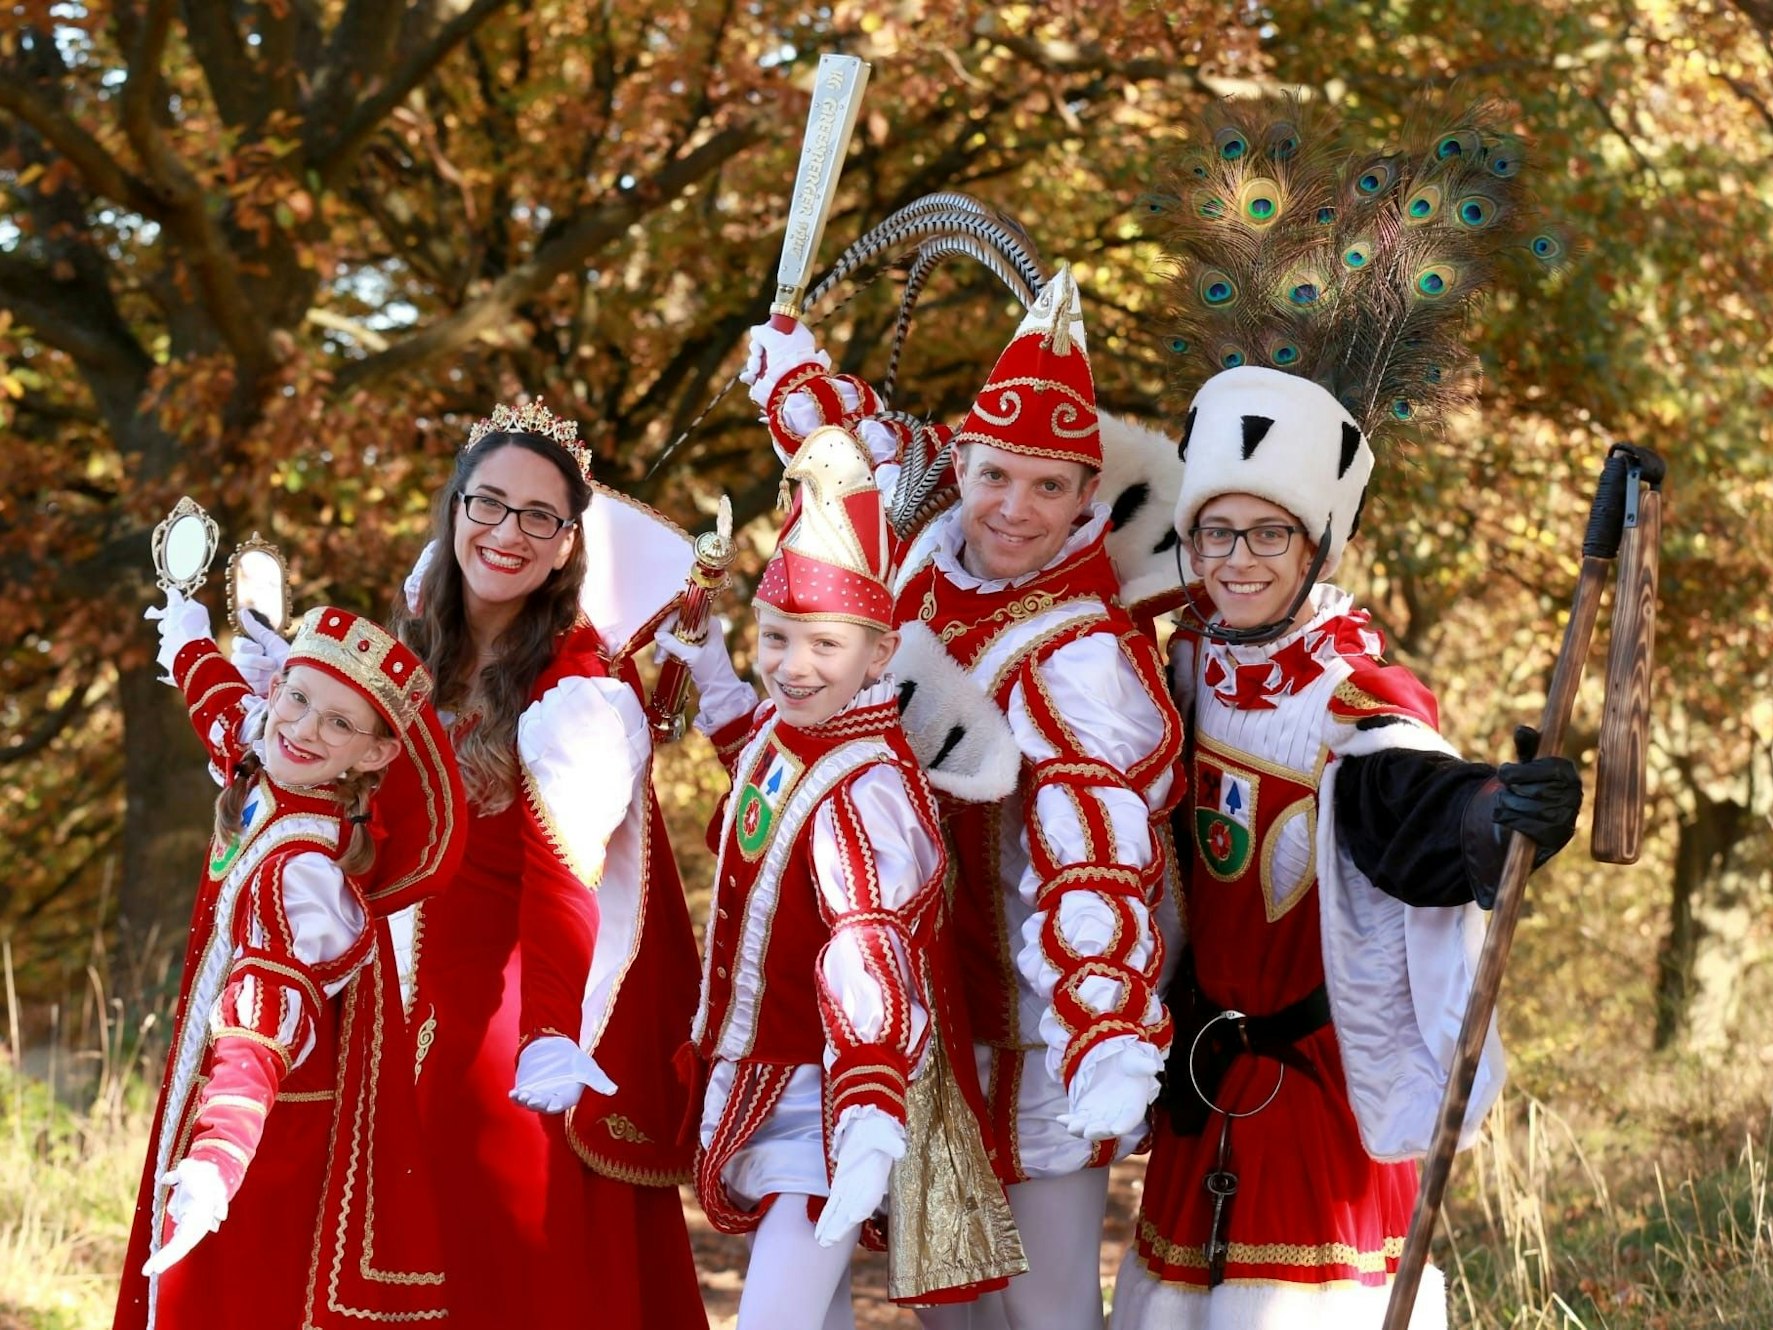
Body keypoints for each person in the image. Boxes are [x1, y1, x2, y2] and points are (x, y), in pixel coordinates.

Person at [743, 267, 1186, 1330]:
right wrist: (789, 370)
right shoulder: (918, 580)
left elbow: (1097, 846)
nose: (1014, 509)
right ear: (962, 467)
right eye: (995, 476)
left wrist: (1104, 1028)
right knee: (952, 1309)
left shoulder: (1082, 649)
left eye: (1047, 487)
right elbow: (848, 458)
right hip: (925, 1019)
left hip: (1044, 1031)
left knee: (1045, 1312)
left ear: (1088, 496)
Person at [1108, 367, 1583, 1328]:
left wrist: (1493, 811)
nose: (1238, 560)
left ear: (1317, 544)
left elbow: (1410, 804)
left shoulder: (1349, 694)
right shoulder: (1181, 658)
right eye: (1216, 533)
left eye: (1269, 534)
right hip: (1201, 1086)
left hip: (1315, 1101)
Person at [235, 402, 708, 1327]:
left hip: (502, 1021)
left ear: (569, 545)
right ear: (455, 511)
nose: (508, 533)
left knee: (494, 1257)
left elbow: (564, 880)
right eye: (488, 504)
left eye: (540, 517)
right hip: (383, 1003)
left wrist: (546, 1031)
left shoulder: (578, 689)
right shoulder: (408, 661)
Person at [661, 425, 1021, 1330]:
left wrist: (865, 1098)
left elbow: (869, 941)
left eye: (823, 645)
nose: (792, 665)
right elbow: (764, 778)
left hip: (828, 1087)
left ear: (879, 653)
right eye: (775, 639)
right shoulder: (798, 733)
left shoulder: (868, 783)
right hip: (774, 1069)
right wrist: (711, 676)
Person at [116, 599, 466, 1330]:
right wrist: (187, 641)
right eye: (298, 698)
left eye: (339, 723)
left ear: (374, 755)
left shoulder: (301, 870)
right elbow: (222, 717)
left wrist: (219, 1153)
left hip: (269, 1132)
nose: (304, 728)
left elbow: (260, 1030)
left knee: (241, 1303)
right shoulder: (265, 767)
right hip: (223, 1108)